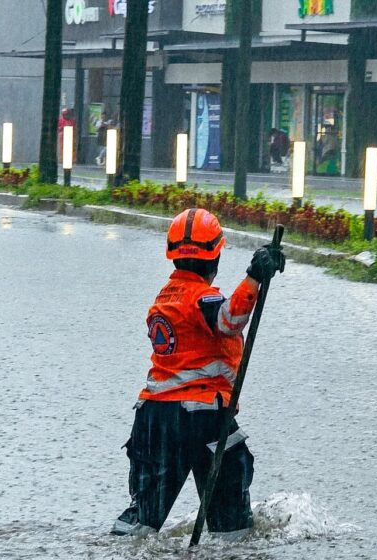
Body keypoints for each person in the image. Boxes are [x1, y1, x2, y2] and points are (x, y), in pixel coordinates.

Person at [110, 208, 286, 540]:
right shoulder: (201, 297)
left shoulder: (165, 298)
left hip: (153, 418)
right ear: (216, 254)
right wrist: (254, 276)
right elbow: (230, 320)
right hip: (202, 417)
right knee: (232, 526)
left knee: (140, 521)